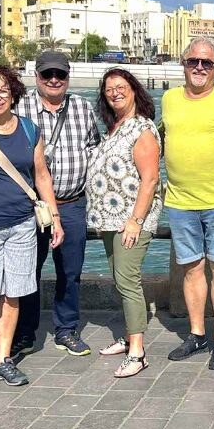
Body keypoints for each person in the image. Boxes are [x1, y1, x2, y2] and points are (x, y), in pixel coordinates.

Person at [0, 66, 64, 394]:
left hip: (21, 226)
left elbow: (41, 175)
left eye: (2, 90)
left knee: (12, 295)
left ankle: (3, 359)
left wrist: (55, 217)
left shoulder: (30, 130)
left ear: (13, 92)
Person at [162, 37, 214, 370]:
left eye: (207, 63)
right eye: (193, 61)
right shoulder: (168, 99)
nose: (199, 67)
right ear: (183, 64)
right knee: (191, 268)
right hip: (180, 201)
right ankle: (197, 334)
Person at [13, 51, 101, 358]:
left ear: (68, 77)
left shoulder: (83, 108)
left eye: (60, 75)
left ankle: (67, 329)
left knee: (70, 271)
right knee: (27, 271)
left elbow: (93, 148)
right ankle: (25, 331)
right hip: (31, 207)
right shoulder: (19, 107)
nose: (53, 80)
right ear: (36, 76)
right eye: (47, 74)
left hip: (72, 203)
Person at [89, 68, 162, 378]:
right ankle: (129, 335)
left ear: (134, 90)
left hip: (131, 220)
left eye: (121, 86)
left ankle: (138, 351)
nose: (115, 92)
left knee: (128, 280)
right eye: (109, 89)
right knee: (121, 280)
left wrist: (135, 220)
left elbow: (150, 179)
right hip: (110, 220)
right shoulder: (116, 127)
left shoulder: (142, 129)